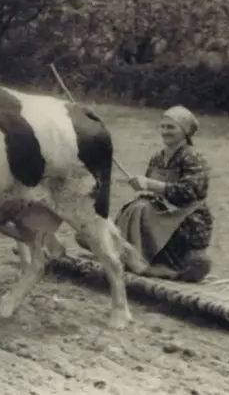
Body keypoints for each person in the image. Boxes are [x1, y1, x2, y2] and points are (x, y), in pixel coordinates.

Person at [77, 105, 213, 283]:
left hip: (189, 219)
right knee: (134, 207)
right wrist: (143, 187)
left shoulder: (193, 157)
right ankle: (116, 249)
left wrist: (149, 184)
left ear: (185, 131)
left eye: (171, 127)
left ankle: (131, 257)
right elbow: (152, 192)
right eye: (163, 127)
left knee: (141, 209)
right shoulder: (158, 157)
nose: (165, 131)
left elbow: (189, 192)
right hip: (161, 211)